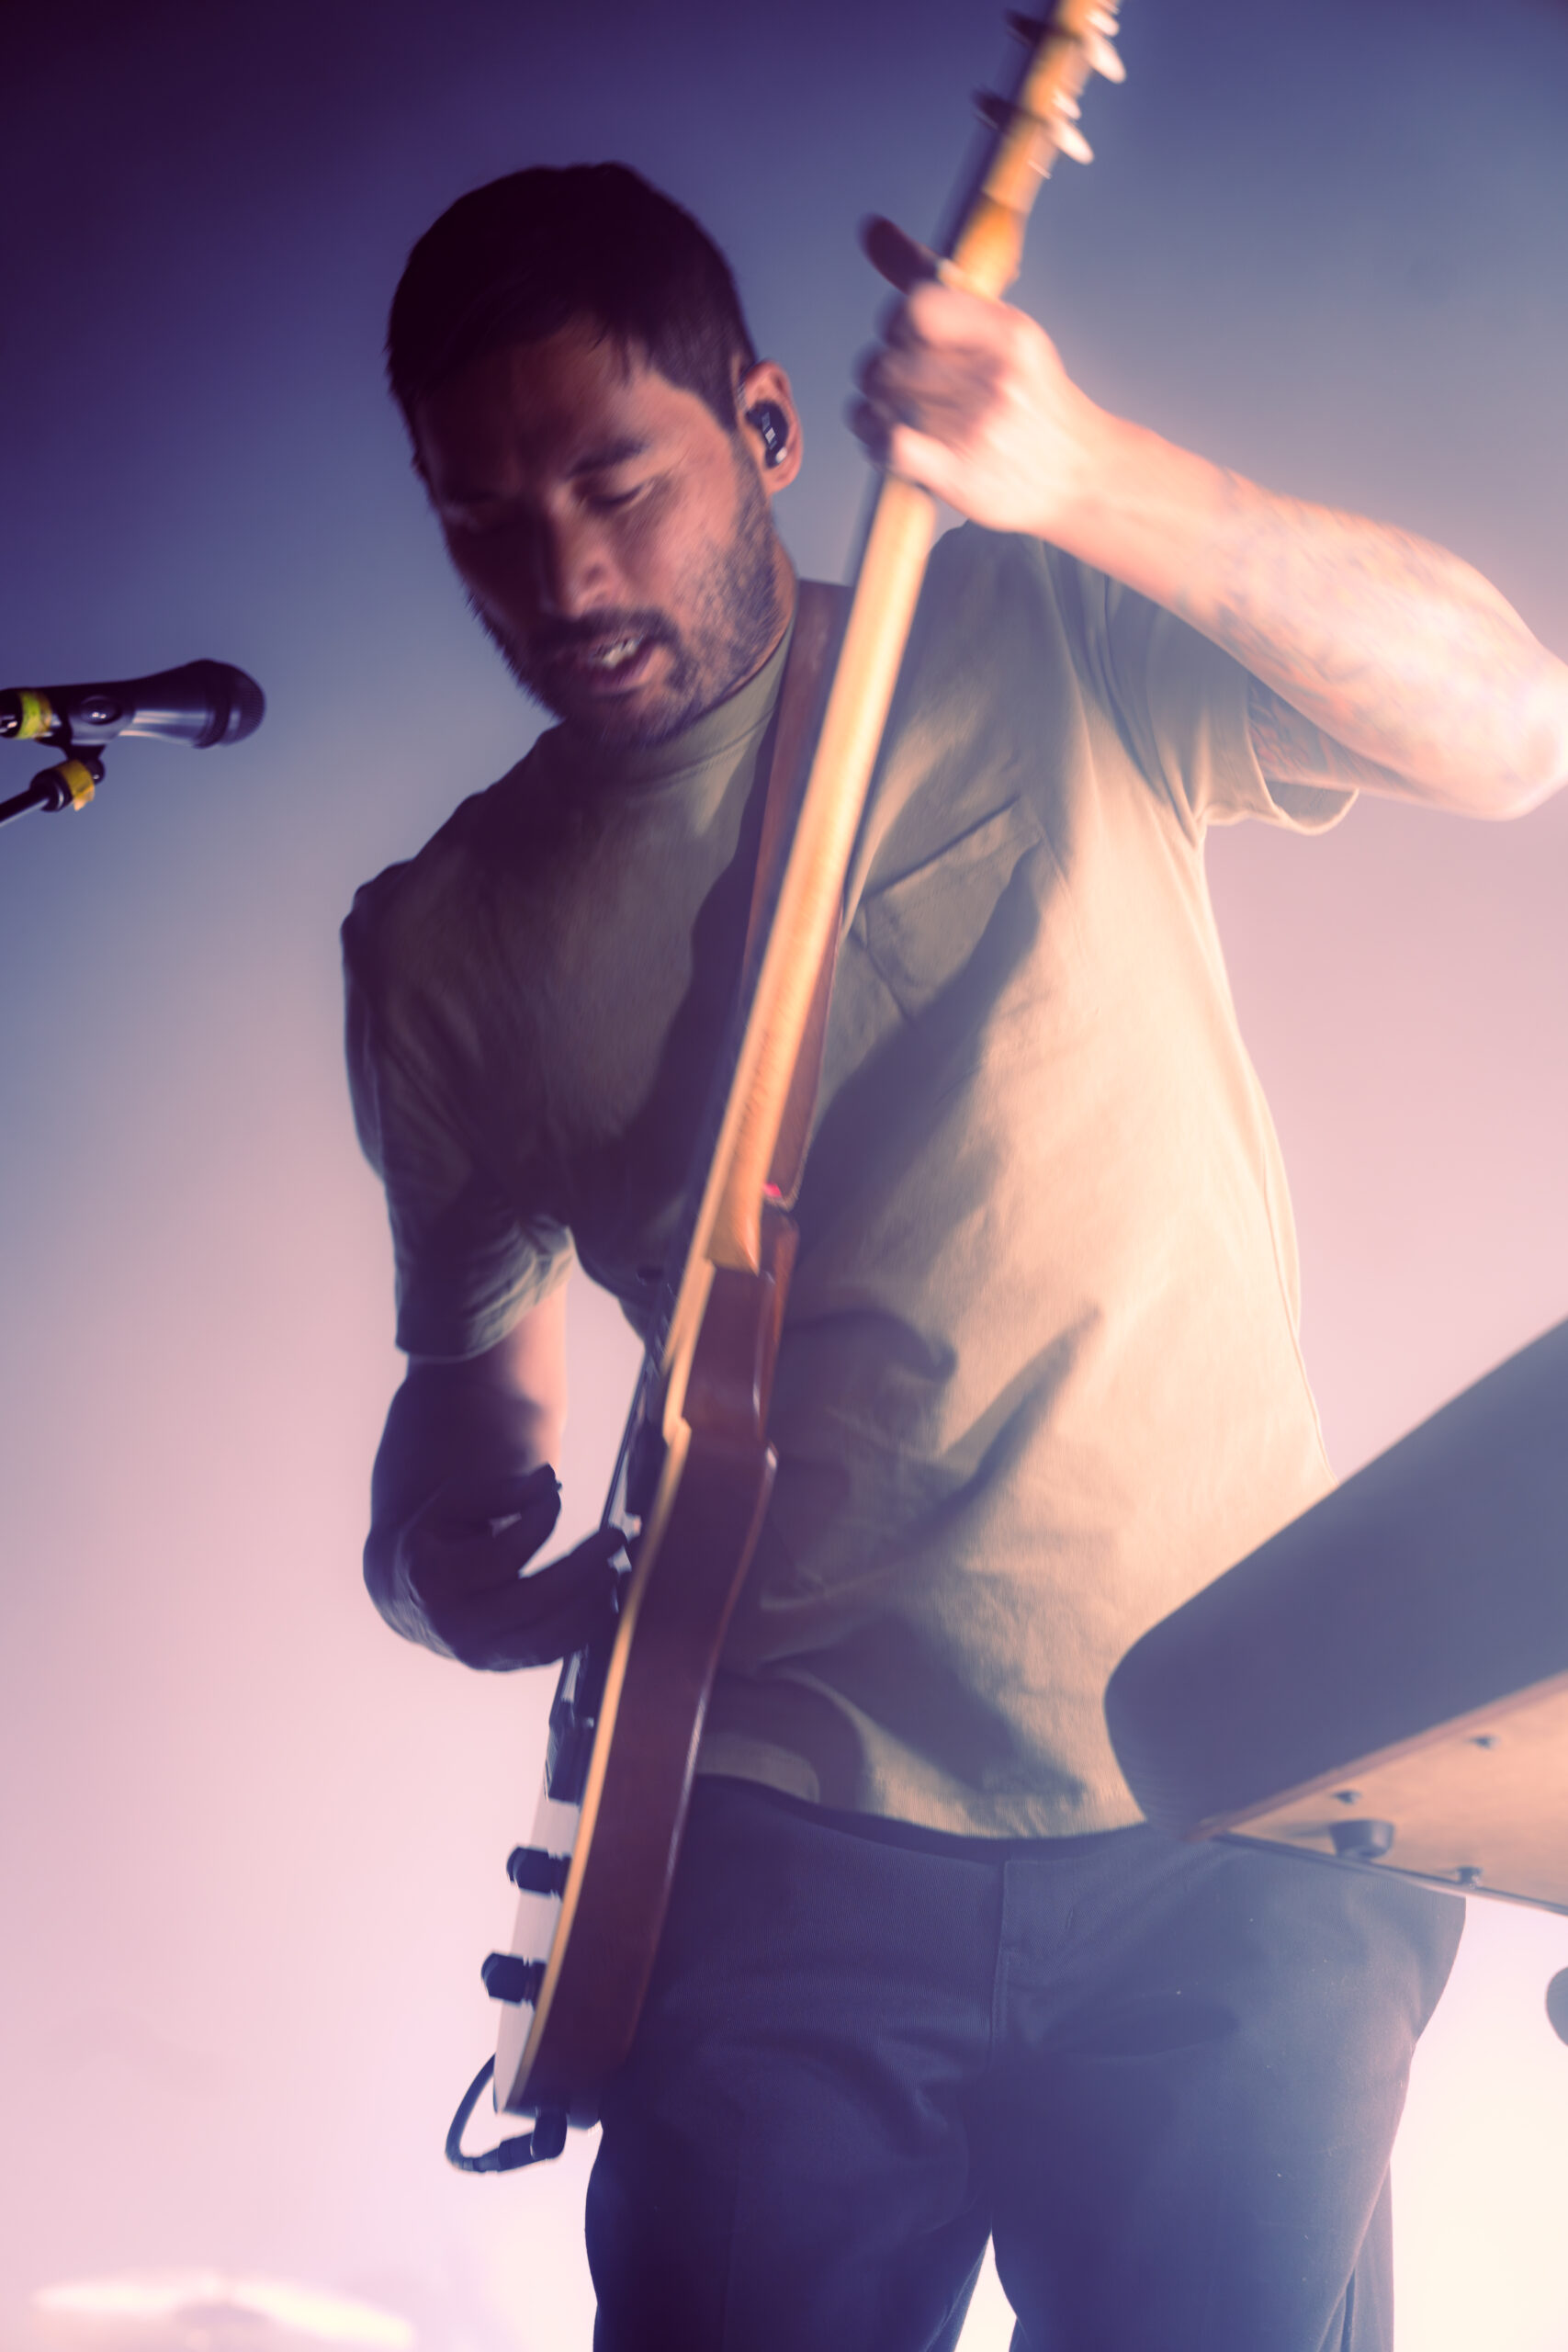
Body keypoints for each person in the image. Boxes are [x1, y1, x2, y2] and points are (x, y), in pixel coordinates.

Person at [343, 162, 1567, 2351]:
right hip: (772, 1859)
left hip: (1230, 1814)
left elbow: (1508, 725)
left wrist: (1084, 469)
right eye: (482, 520)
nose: (564, 575)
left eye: (616, 483)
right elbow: (469, 1378)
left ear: (765, 426)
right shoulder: (437, 943)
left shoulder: (1030, 630)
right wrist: (439, 1553)